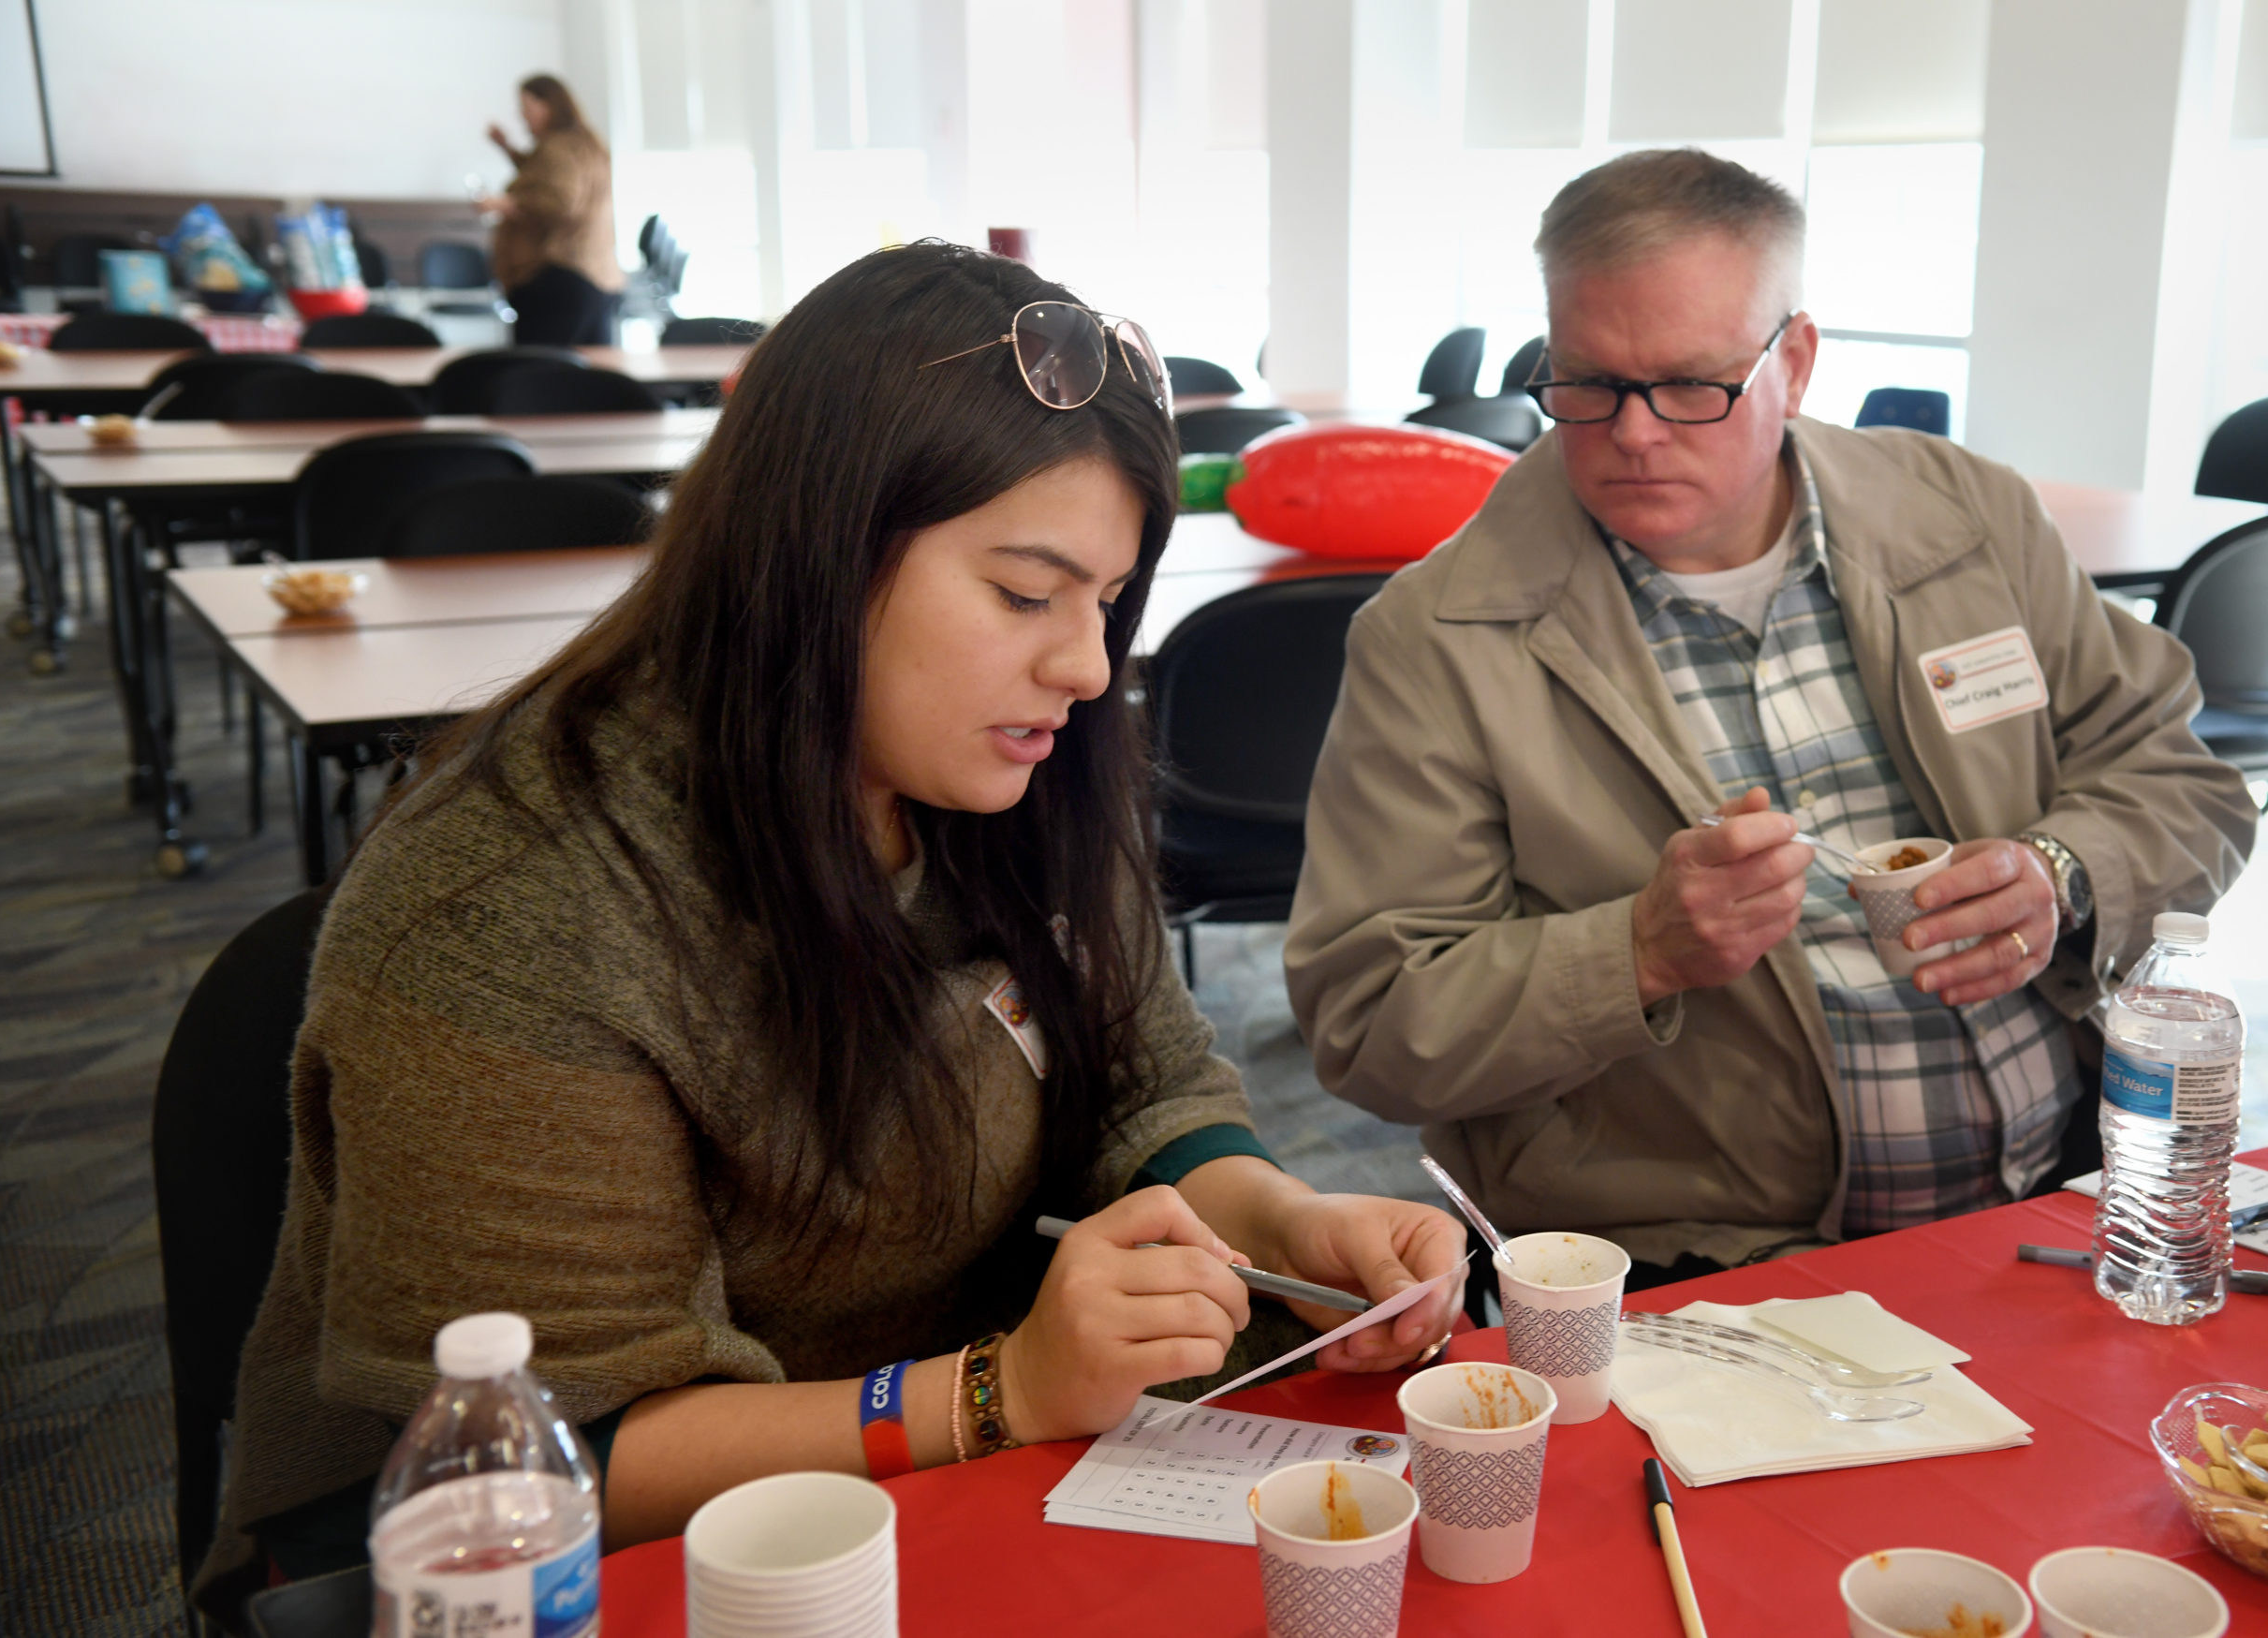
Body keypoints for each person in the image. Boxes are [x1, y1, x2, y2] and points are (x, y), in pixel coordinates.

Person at [196, 243, 1463, 1613]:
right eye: (1025, 595)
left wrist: (1287, 1222)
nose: (1087, 668)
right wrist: (998, 1392)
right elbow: (555, 1447)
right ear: (814, 549)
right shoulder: (516, 901)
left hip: (934, 1483)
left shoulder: (1010, 778)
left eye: (1105, 602)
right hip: (538, 1558)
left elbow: (1150, 1084)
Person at [1285, 149, 2258, 1286]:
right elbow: (1371, 1019)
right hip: (1710, 1265)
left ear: (1793, 362)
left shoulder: (1963, 518)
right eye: (1588, 385)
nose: (1635, 433)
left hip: (2062, 1208)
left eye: (1693, 385)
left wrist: (2061, 871)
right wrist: (1636, 952)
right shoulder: (1440, 636)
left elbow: (2183, 783)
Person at [482, 74, 625, 345]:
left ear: (547, 105)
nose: (522, 115)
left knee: (541, 373)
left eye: (526, 106)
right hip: (594, 275)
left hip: (558, 275)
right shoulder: (583, 143)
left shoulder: (557, 147)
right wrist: (507, 149)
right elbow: (545, 176)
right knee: (590, 373)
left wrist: (507, 204)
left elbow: (560, 202)